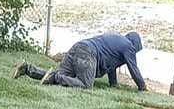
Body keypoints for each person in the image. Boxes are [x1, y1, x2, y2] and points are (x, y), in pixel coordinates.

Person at [15, 32, 146, 90]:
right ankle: (59, 78)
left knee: (57, 75)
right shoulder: (129, 46)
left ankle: (27, 69)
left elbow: (112, 66)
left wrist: (113, 84)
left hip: (79, 46)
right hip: (88, 53)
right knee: (85, 85)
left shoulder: (118, 41)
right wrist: (142, 87)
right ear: (135, 45)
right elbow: (133, 68)